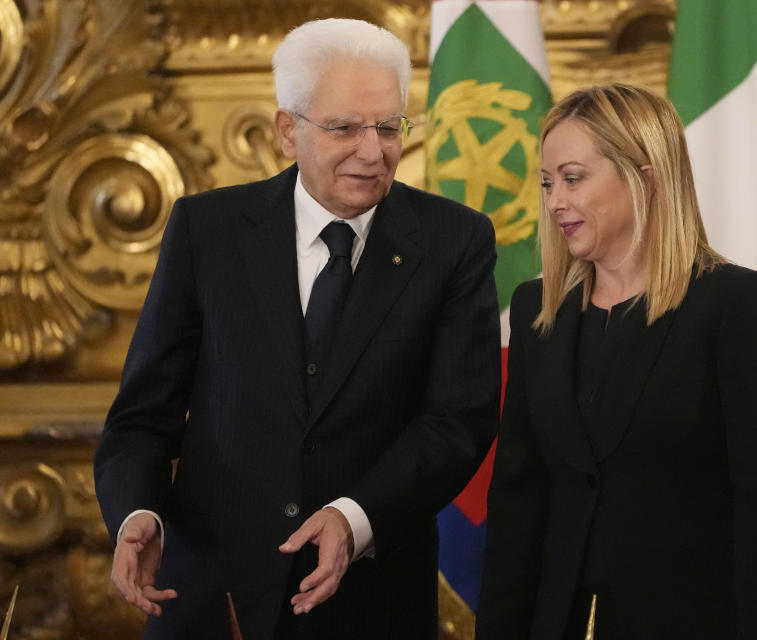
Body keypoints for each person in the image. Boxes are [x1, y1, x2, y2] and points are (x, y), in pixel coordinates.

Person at [94, 18, 501, 640]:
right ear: (289, 130)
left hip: (371, 601)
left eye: (388, 126)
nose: (373, 149)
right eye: (344, 128)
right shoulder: (209, 230)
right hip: (211, 594)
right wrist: (136, 512)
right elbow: (143, 414)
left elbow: (458, 420)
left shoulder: (455, 241)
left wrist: (353, 517)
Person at [476, 84, 757, 639]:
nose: (554, 202)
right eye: (548, 183)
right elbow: (519, 501)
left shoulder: (736, 304)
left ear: (645, 179)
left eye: (573, 178)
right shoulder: (538, 309)